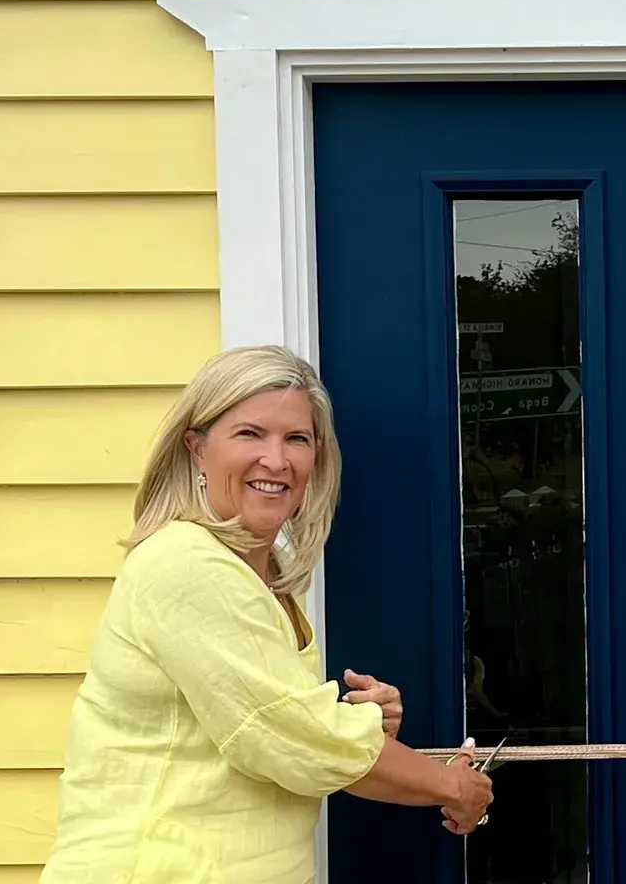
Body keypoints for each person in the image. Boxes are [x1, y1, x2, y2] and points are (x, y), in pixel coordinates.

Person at [40, 346, 493, 883]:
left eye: (296, 438)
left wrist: (360, 720)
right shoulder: (186, 563)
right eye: (250, 434)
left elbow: (277, 718)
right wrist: (453, 786)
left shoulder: (254, 573)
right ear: (196, 449)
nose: (276, 461)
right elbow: (292, 739)